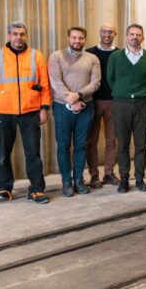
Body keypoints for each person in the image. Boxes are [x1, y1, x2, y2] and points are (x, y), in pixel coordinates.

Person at [0, 21, 51, 204]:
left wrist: (44, 108)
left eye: (21, 34)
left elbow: (44, 84)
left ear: (26, 36)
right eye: (15, 34)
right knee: (3, 153)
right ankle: (4, 189)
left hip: (31, 112)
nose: (18, 37)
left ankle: (36, 190)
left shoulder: (36, 55)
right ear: (9, 36)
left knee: (33, 153)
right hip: (3, 112)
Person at [48, 26, 101, 197]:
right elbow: (55, 81)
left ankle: (78, 180)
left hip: (85, 106)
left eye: (80, 38)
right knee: (63, 146)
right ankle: (66, 182)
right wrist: (71, 100)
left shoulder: (92, 58)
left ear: (85, 39)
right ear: (68, 38)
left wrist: (79, 96)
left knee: (81, 145)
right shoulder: (56, 56)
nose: (77, 41)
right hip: (62, 107)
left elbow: (96, 83)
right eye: (74, 37)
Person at [107, 24, 146, 193]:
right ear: (126, 37)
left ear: (142, 38)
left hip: (142, 105)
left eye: (138, 34)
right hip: (120, 104)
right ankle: (124, 179)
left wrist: (140, 93)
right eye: (132, 34)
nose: (135, 37)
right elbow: (111, 79)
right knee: (123, 145)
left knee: (141, 145)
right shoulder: (115, 57)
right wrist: (123, 93)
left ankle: (140, 179)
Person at [85, 23, 120, 188]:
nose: (107, 34)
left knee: (111, 140)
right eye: (104, 31)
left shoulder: (119, 54)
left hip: (113, 101)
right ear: (100, 33)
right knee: (91, 141)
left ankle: (109, 173)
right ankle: (94, 175)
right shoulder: (89, 53)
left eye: (110, 32)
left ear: (115, 34)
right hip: (92, 101)